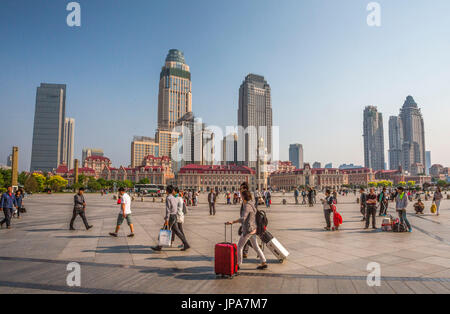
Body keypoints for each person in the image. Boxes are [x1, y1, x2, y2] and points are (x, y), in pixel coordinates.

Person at [226, 190, 267, 271]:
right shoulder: (251, 203)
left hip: (248, 230)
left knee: (239, 247)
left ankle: (238, 264)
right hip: (253, 229)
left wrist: (233, 222)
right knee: (256, 247)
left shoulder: (247, 205)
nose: (240, 196)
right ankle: (263, 262)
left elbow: (243, 218)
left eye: (241, 195)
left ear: (244, 196)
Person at [152, 185, 190, 251]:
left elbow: (168, 209)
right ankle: (185, 244)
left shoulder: (168, 198)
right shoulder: (174, 197)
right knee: (176, 231)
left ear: (167, 191)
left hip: (170, 217)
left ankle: (159, 246)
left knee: (165, 230)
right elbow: (174, 208)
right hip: (174, 215)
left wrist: (167, 219)